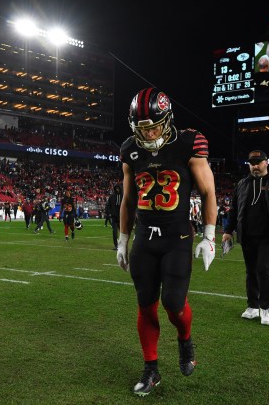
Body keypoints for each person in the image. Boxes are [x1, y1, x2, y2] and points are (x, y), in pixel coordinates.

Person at [116, 87, 217, 397]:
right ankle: (151, 369)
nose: (149, 133)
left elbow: (209, 192)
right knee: (145, 305)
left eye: (154, 125)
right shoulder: (130, 150)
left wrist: (209, 236)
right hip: (145, 239)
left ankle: (185, 340)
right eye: (142, 128)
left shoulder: (188, 142)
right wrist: (122, 239)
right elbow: (128, 200)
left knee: (174, 304)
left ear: (168, 119)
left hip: (177, 238)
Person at [222, 150, 269, 326]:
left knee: (264, 270)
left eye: (259, 162)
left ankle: (266, 308)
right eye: (252, 163)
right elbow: (233, 209)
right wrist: (228, 230)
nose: (255, 165)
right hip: (247, 235)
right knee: (251, 271)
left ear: (266, 162)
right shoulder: (242, 183)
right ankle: (253, 306)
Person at [106, 184, 122, 250]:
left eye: (118, 188)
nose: (117, 189)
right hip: (114, 217)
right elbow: (108, 205)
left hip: (121, 217)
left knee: (122, 232)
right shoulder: (112, 197)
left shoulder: (123, 196)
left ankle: (122, 245)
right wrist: (109, 213)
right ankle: (116, 245)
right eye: (116, 188)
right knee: (114, 232)